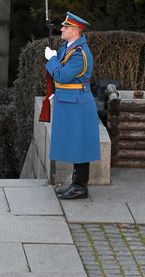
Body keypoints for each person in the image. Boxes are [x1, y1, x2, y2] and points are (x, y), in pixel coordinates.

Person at [46, 12, 100, 200]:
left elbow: (61, 75)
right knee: (75, 143)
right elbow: (59, 73)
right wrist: (55, 91)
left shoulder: (79, 54)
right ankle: (75, 184)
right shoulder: (67, 47)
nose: (61, 29)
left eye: (66, 27)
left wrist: (51, 59)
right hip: (69, 99)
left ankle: (80, 187)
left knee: (80, 145)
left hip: (77, 102)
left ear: (75, 31)